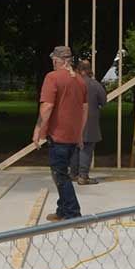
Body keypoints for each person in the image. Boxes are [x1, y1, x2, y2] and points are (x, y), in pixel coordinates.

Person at [33, 45, 89, 221]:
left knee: (60, 175)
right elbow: (84, 110)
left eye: (54, 61)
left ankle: (73, 213)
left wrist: (38, 130)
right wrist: (80, 134)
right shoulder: (80, 80)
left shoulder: (52, 78)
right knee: (61, 173)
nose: (53, 64)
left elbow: (47, 106)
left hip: (59, 137)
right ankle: (62, 210)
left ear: (59, 60)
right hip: (72, 137)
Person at [74, 57, 106, 185]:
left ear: (78, 69)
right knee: (86, 148)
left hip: (72, 120)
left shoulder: (72, 82)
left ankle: (73, 174)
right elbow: (103, 101)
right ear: (89, 70)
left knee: (74, 147)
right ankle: (83, 176)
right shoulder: (95, 84)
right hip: (89, 120)